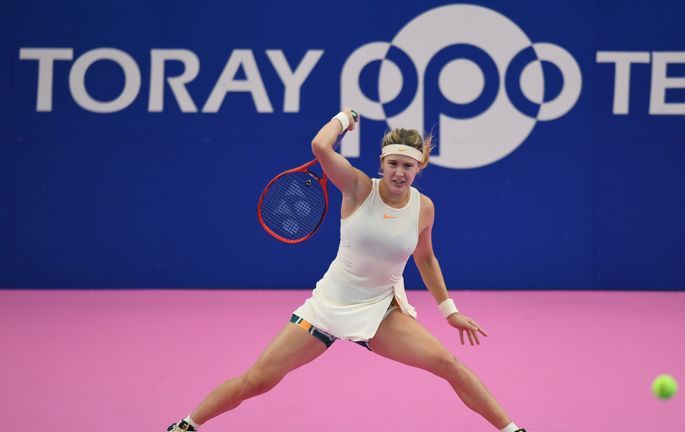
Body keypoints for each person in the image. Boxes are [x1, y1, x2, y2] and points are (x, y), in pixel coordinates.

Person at [166, 108, 526, 432]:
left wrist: (449, 311)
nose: (399, 173)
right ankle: (186, 425)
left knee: (449, 364)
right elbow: (320, 147)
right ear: (381, 163)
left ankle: (512, 431)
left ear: (420, 167)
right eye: (393, 164)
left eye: (408, 165)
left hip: (380, 312)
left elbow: (426, 258)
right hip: (328, 307)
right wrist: (344, 118)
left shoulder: (424, 208)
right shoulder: (356, 187)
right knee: (256, 382)